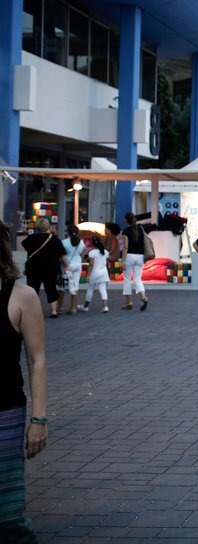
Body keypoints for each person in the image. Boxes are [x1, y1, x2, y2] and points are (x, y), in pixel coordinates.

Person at [0, 219, 48, 542]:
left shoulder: (21, 296)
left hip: (5, 413)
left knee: (8, 516)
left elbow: (37, 360)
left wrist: (39, 419)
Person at [21, 219, 68, 318]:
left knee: (33, 290)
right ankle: (54, 311)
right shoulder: (55, 239)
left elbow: (24, 246)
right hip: (51, 269)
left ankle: (33, 311)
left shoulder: (30, 238)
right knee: (51, 289)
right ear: (48, 227)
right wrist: (66, 265)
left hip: (34, 269)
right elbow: (63, 254)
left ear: (37, 228)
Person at [120, 212, 150, 312]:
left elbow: (125, 247)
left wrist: (123, 260)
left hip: (129, 256)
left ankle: (128, 302)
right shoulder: (140, 230)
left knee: (127, 278)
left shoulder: (125, 231)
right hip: (140, 257)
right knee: (137, 279)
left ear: (126, 220)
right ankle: (143, 297)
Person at [80, 235, 110, 313]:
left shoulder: (92, 252)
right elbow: (106, 263)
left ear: (93, 244)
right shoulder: (106, 252)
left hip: (94, 273)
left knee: (90, 290)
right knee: (103, 290)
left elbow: (91, 265)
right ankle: (105, 307)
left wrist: (88, 275)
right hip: (104, 273)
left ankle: (85, 306)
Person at [61, 225, 85, 315]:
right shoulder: (81, 242)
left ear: (68, 232)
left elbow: (62, 254)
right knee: (75, 286)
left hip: (68, 265)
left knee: (64, 286)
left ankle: (60, 307)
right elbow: (83, 252)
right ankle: (73, 308)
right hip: (78, 264)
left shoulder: (64, 242)